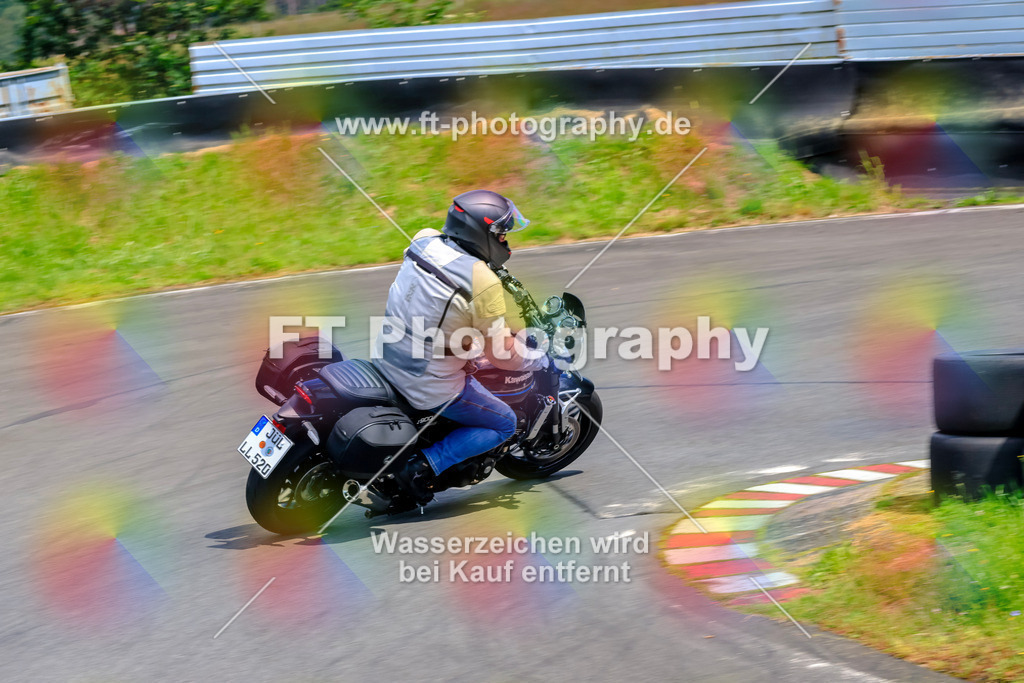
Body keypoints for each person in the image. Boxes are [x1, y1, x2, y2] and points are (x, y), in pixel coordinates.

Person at [372, 189, 547, 503]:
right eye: (502, 233)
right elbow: (504, 356)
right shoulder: (482, 281)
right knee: (504, 423)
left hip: (387, 353)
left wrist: (465, 343)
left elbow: (429, 303)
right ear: (484, 234)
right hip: (425, 382)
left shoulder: (423, 239)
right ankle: (426, 465)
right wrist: (537, 358)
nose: (506, 240)